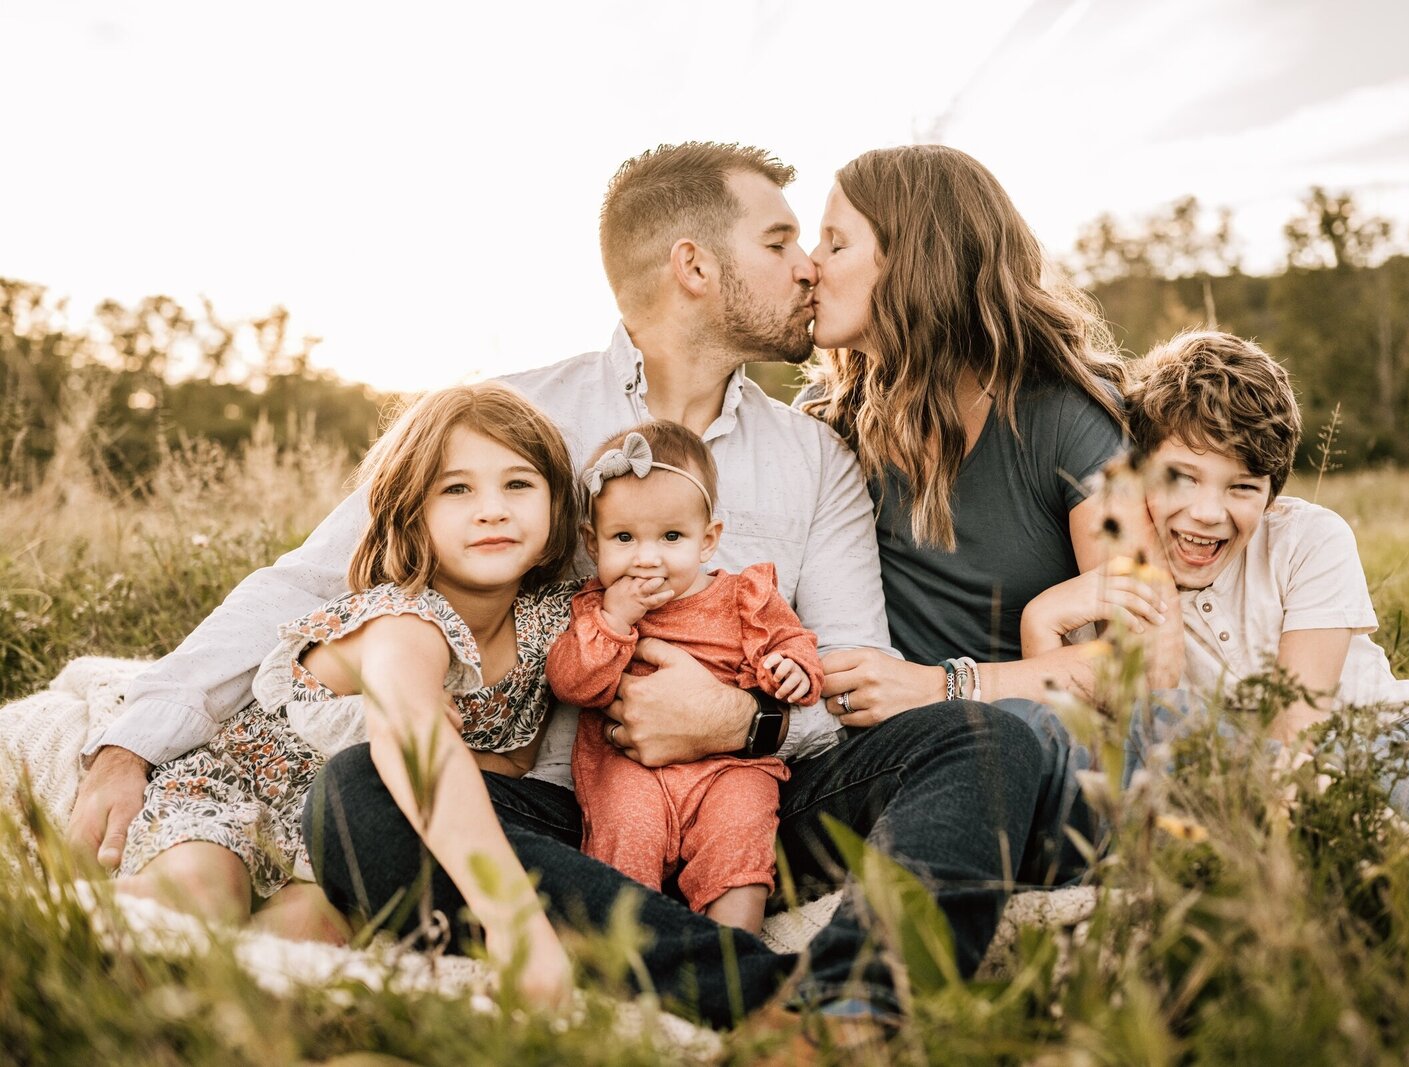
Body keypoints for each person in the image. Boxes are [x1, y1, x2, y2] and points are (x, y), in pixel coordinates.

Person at [68, 141, 1046, 1030]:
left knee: (990, 741)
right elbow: (312, 582)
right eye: (782, 238)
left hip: (751, 795)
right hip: (559, 821)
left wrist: (738, 724)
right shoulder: (514, 417)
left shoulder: (812, 456)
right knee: (359, 794)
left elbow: (844, 680)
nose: (808, 264)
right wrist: (129, 738)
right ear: (694, 267)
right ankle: (767, 999)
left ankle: (855, 1005)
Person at [1025, 330, 1409, 918]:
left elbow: (1300, 728)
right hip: (1330, 779)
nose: (1207, 513)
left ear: (1272, 494)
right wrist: (1040, 618)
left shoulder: (1306, 537)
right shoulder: (1110, 586)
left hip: (1408, 726)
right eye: (1183, 478)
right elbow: (1104, 747)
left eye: (1242, 487)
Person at [120, 382, 581, 1006]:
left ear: (558, 506)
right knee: (187, 905)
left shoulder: (548, 627)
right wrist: (511, 919)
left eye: (519, 484)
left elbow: (510, 764)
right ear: (410, 513)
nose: (492, 509)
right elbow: (415, 743)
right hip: (244, 794)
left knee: (296, 961)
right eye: (457, 489)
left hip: (340, 835)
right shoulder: (400, 619)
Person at [799, 143, 1181, 881]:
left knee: (1030, 736)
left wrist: (946, 685)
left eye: (836, 242)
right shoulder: (825, 427)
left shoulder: (1066, 422)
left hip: (1029, 745)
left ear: (915, 261)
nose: (811, 264)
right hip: (888, 762)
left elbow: (1149, 660)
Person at [546, 421, 822, 934]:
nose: (647, 558)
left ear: (708, 540)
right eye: (624, 538)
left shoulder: (745, 596)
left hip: (729, 767)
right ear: (593, 541)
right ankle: (627, 950)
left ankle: (735, 949)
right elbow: (571, 683)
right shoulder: (595, 607)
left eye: (671, 537)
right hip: (629, 766)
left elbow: (794, 641)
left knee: (741, 830)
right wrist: (613, 621)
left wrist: (792, 668)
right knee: (625, 834)